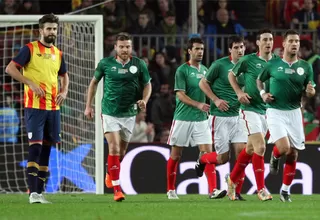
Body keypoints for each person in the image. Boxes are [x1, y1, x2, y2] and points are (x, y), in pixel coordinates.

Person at [5, 14, 69, 204]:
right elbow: (10, 68)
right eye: (48, 29)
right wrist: (30, 83)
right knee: (36, 147)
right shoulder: (30, 49)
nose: (52, 32)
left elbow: (64, 75)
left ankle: (39, 193)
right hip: (34, 107)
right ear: (41, 30)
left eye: (55, 29)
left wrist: (64, 91)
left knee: (47, 150)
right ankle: (32, 193)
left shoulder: (58, 53)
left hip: (53, 108)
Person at [84, 33, 152, 202]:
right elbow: (93, 83)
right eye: (121, 46)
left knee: (121, 154)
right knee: (113, 148)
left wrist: (144, 99)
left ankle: (110, 172)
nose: (124, 49)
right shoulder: (105, 64)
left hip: (129, 114)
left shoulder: (139, 64)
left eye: (127, 46)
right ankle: (117, 190)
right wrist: (88, 105)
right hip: (109, 112)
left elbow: (147, 84)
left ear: (131, 48)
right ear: (115, 48)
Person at [257, 29, 316, 202]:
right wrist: (263, 94)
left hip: (295, 112)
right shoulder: (273, 65)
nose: (294, 44)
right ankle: (275, 156)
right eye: (291, 41)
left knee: (293, 154)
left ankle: (285, 190)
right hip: (275, 111)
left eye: (297, 41)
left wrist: (311, 91)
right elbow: (259, 80)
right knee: (283, 148)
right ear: (283, 44)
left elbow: (310, 89)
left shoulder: (306, 67)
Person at [166, 37, 224, 200]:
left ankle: (213, 190)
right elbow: (180, 95)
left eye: (202, 49)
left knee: (207, 153)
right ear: (189, 51)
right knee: (176, 155)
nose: (200, 52)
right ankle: (170, 189)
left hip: (201, 119)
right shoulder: (182, 70)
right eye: (197, 49)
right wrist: (198, 104)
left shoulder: (206, 70)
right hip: (183, 118)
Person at [225, 29, 277, 201]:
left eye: (270, 39)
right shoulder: (248, 60)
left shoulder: (277, 62)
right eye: (265, 40)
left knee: (249, 149)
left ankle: (232, 180)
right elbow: (231, 75)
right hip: (250, 109)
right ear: (258, 43)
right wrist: (239, 92)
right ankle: (261, 189)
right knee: (260, 147)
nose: (268, 42)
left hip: (268, 111)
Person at [196, 35, 247, 201]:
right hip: (220, 117)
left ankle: (236, 192)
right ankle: (202, 160)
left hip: (238, 116)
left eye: (242, 47)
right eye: (236, 47)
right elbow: (203, 83)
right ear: (230, 50)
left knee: (242, 156)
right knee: (222, 159)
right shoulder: (219, 65)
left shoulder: (247, 66)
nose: (240, 50)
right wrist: (215, 100)